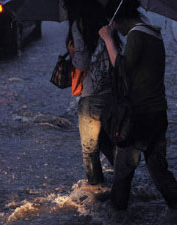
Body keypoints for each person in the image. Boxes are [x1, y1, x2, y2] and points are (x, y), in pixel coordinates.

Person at [98, 0, 177, 212]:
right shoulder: (153, 33)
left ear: (120, 19)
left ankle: (117, 224)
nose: (117, 29)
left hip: (139, 116)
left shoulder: (137, 34)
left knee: (123, 173)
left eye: (116, 25)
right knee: (159, 171)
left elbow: (122, 69)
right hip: (158, 114)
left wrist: (108, 40)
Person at [63, 0, 116, 194]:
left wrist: (72, 52)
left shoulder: (79, 25)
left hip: (91, 94)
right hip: (111, 92)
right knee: (106, 140)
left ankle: (96, 191)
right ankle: (123, 180)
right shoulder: (106, 22)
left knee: (90, 150)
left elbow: (82, 63)